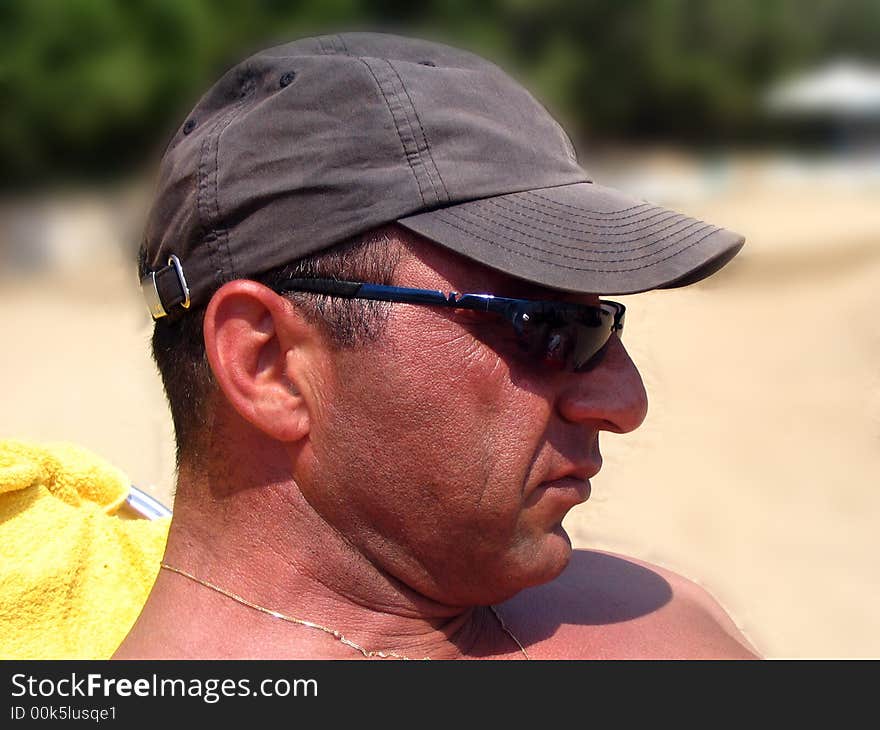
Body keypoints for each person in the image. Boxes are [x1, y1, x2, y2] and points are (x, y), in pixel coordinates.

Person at [115, 31, 758, 660]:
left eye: (602, 323)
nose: (625, 402)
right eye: (543, 324)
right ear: (270, 365)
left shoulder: (659, 611)